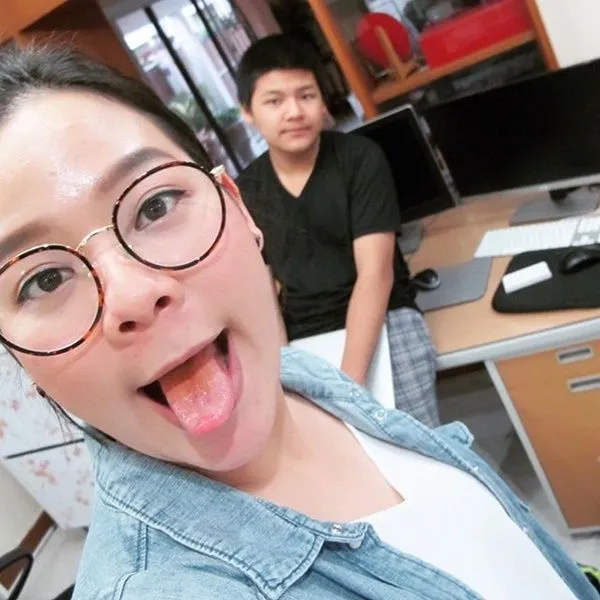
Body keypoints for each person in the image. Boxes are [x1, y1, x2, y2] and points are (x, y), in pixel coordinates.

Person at [0, 43, 595, 600]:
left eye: (155, 206)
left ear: (239, 209)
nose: (134, 296)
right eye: (42, 280)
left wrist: (343, 373)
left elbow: (373, 276)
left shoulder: (304, 378)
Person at [235, 35, 439, 427]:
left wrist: (348, 388)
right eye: (274, 101)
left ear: (323, 101)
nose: (294, 112)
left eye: (306, 96)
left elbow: (376, 275)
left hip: (386, 317)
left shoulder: (359, 159)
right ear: (248, 112)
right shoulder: (247, 190)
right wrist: (285, 374)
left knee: (417, 444)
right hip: (305, 333)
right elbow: (265, 291)